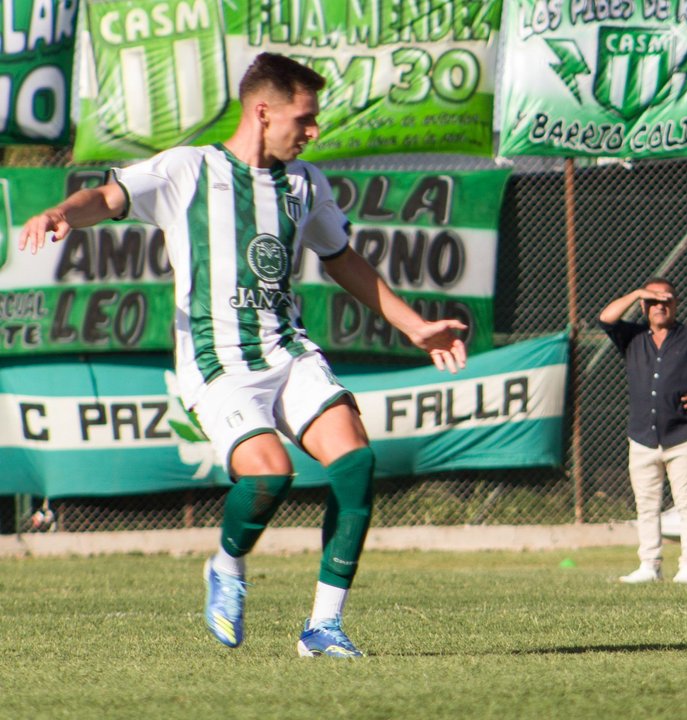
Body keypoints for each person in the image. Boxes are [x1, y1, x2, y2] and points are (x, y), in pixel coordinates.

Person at [19, 53, 467, 658]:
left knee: (356, 463)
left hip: (287, 350)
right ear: (263, 112)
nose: (313, 132)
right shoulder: (188, 169)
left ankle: (323, 627)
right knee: (269, 473)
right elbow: (105, 196)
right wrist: (59, 213)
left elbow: (343, 260)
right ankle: (226, 567)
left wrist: (414, 326)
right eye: (304, 119)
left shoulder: (306, 183)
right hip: (217, 363)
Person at [599, 278, 687, 584]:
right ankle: (649, 565)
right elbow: (606, 318)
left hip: (682, 436)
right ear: (643, 306)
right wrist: (637, 292)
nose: (659, 306)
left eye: (666, 301)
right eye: (652, 301)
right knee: (646, 506)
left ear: (676, 305)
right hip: (642, 437)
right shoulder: (633, 337)